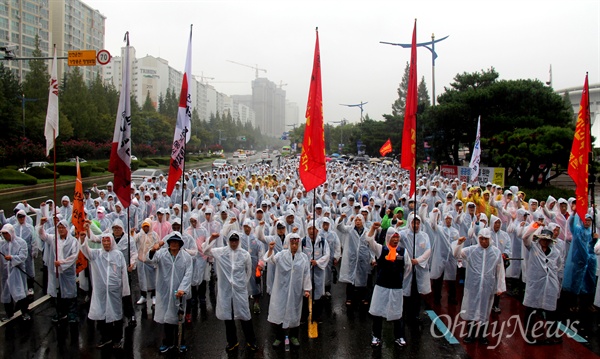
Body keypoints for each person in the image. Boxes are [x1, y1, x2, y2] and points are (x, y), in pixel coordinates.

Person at [203, 232, 258, 352]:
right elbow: (205, 250)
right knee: (228, 316)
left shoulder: (245, 254)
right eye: (231, 240)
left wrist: (242, 283)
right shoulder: (221, 252)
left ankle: (251, 340)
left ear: (238, 241)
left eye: (235, 240)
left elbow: (248, 271)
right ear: (228, 241)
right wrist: (211, 238)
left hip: (240, 290)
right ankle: (232, 341)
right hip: (226, 290)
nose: (233, 243)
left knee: (245, 315)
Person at [453, 228, 506, 345]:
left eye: (486, 239)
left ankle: (482, 335)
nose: (483, 242)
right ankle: (470, 334)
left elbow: (500, 270)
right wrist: (459, 243)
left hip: (488, 287)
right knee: (471, 309)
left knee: (485, 311)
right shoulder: (471, 250)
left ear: (489, 239)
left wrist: (500, 287)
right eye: (481, 239)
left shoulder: (496, 252)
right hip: (473, 286)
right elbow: (456, 255)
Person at [80, 228, 129, 349]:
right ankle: (105, 337)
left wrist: (125, 291)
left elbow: (123, 273)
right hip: (101, 292)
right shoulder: (97, 254)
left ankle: (118, 338)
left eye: (108, 241)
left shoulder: (118, 255)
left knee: (116, 315)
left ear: (112, 242)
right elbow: (86, 251)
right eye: (104, 241)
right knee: (102, 315)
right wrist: (82, 239)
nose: (106, 243)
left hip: (114, 291)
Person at [145, 232, 193, 354]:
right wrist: (153, 249)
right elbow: (149, 260)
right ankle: (167, 342)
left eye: (176, 242)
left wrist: (182, 289)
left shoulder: (186, 257)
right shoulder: (162, 254)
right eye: (172, 242)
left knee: (178, 317)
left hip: (179, 293)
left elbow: (188, 274)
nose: (174, 244)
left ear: (180, 244)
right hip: (164, 291)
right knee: (167, 318)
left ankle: (181, 342)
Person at [365, 224, 412, 348]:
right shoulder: (382, 249)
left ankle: (399, 336)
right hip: (382, 286)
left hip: (396, 287)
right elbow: (369, 240)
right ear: (388, 238)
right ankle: (376, 336)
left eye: (397, 238)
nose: (395, 240)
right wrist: (373, 229)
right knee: (377, 312)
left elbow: (408, 267)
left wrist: (401, 279)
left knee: (397, 313)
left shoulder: (403, 251)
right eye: (393, 238)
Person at [264, 233, 311, 348]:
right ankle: (279, 337)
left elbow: (306, 274)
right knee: (280, 312)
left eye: (296, 243)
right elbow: (270, 260)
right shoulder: (281, 255)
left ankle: (294, 336)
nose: (294, 246)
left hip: (296, 291)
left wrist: (306, 289)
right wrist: (270, 249)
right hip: (281, 290)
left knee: (295, 313)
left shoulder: (303, 257)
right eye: (292, 243)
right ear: (288, 243)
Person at [522, 229, 563, 344]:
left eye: (547, 240)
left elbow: (559, 265)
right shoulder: (533, 247)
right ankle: (529, 332)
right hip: (535, 284)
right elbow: (525, 237)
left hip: (550, 284)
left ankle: (552, 333)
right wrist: (534, 227)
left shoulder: (555, 252)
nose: (544, 242)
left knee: (551, 310)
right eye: (543, 239)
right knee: (531, 308)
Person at [38, 218, 79, 323]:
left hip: (67, 271)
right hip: (56, 272)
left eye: (63, 227)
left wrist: (62, 262)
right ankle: (61, 312)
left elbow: (74, 256)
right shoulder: (53, 239)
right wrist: (41, 225)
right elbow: (43, 235)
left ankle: (72, 313)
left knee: (70, 293)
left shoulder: (73, 241)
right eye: (59, 227)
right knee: (59, 292)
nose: (61, 230)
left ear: (67, 229)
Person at [337, 213, 374, 308]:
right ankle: (349, 298)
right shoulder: (350, 230)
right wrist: (341, 218)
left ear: (363, 221)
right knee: (351, 279)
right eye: (356, 220)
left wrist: (373, 258)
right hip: (352, 258)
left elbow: (371, 245)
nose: (358, 222)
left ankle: (363, 298)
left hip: (363, 259)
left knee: (363, 279)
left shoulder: (367, 232)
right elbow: (340, 228)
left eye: (359, 220)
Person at [300, 224, 330, 323]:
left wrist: (317, 262)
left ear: (317, 230)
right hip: (306, 272)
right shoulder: (303, 241)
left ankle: (317, 315)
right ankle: (304, 315)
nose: (311, 231)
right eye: (309, 229)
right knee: (305, 292)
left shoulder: (322, 241)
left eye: (313, 229)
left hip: (318, 271)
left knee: (318, 294)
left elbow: (327, 255)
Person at [0, 224, 31, 321]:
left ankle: (25, 312)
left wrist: (12, 258)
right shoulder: (2, 244)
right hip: (6, 273)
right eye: (3, 233)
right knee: (6, 294)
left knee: (20, 293)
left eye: (6, 233)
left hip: (17, 273)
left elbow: (23, 256)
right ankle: (9, 314)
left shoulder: (21, 243)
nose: (5, 235)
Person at [134, 219, 159, 307]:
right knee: (142, 280)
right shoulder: (139, 235)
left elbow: (157, 246)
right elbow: (133, 241)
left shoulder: (154, 235)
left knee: (152, 279)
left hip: (151, 261)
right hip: (141, 260)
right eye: (144, 226)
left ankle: (154, 296)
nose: (145, 228)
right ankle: (143, 295)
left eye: (147, 226)